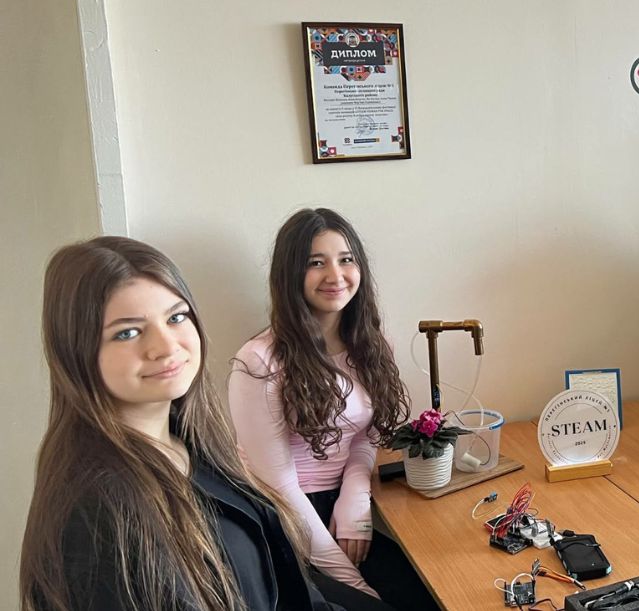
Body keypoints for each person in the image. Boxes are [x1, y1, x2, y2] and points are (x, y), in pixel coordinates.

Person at [19, 236, 343, 610]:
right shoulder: (97, 512)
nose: (166, 346)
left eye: (176, 317)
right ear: (77, 352)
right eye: (127, 332)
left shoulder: (191, 442)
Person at [229, 208, 435, 610]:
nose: (335, 275)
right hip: (282, 522)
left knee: (430, 597)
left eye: (345, 259)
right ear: (290, 274)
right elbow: (278, 484)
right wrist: (354, 584)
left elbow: (365, 434)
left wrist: (355, 495)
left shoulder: (372, 344)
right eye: (316, 263)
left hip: (340, 505)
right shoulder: (258, 361)